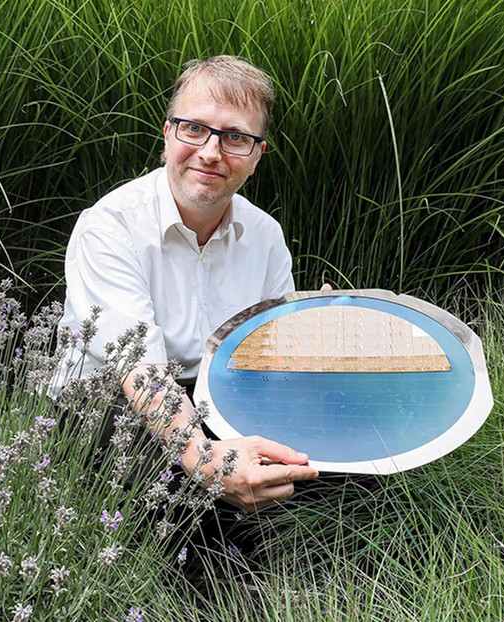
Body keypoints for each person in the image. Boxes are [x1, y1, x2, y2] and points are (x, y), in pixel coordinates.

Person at [54, 56, 319, 551]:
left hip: (218, 397)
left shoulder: (265, 236)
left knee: (311, 462)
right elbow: (139, 373)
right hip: (107, 404)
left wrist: (315, 335)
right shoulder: (108, 226)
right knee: (165, 487)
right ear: (167, 135)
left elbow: (267, 362)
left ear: (257, 154)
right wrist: (207, 461)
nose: (211, 152)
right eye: (194, 129)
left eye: (235, 138)